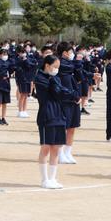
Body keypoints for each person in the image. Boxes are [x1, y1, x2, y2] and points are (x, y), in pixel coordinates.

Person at [34, 54, 78, 189]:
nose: (56, 70)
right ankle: (44, 179)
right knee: (46, 148)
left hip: (59, 115)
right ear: (47, 66)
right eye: (55, 67)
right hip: (46, 116)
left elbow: (62, 91)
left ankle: (52, 178)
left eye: (58, 68)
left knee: (56, 149)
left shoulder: (55, 78)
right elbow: (56, 91)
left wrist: (72, 95)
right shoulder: (40, 78)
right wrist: (68, 93)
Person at [56, 42, 83, 163]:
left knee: (72, 126)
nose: (72, 54)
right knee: (64, 127)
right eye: (70, 51)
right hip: (65, 99)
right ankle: (60, 153)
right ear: (64, 53)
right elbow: (67, 68)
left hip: (74, 98)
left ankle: (68, 152)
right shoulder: (60, 63)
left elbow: (79, 77)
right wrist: (77, 62)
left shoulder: (72, 65)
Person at [0, 48, 13, 125]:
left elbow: (12, 68)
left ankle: (3, 117)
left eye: (6, 54)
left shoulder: (8, 63)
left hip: (6, 84)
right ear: (0, 55)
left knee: (5, 103)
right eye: (3, 54)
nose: (5, 56)